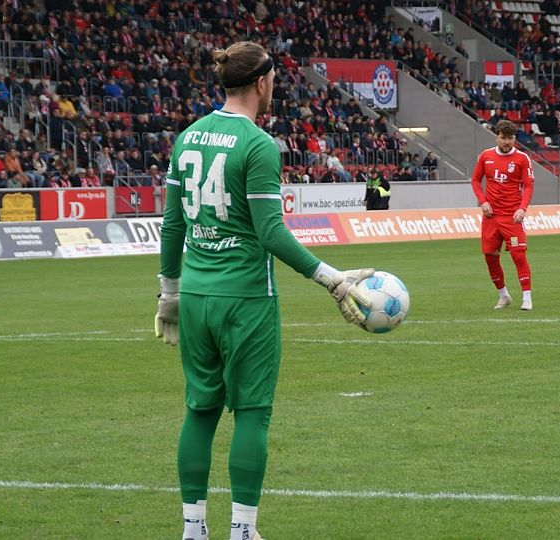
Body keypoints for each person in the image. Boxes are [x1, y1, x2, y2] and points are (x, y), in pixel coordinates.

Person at [154, 41, 374, 540]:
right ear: (262, 82)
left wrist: (169, 292)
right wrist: (332, 278)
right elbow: (270, 232)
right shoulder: (258, 145)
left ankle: (193, 530)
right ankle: (242, 530)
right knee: (252, 414)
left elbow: (172, 225)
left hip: (196, 297)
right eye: (274, 80)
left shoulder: (187, 137)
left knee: (199, 411)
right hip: (247, 298)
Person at [471, 119, 535, 311]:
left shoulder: (522, 158)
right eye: (503, 138)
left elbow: (529, 186)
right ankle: (503, 295)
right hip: (491, 216)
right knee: (490, 256)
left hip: (512, 216)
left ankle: (527, 298)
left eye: (510, 138)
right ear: (496, 137)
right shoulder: (486, 156)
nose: (507, 142)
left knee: (518, 255)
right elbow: (475, 180)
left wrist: (522, 208)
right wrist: (483, 201)